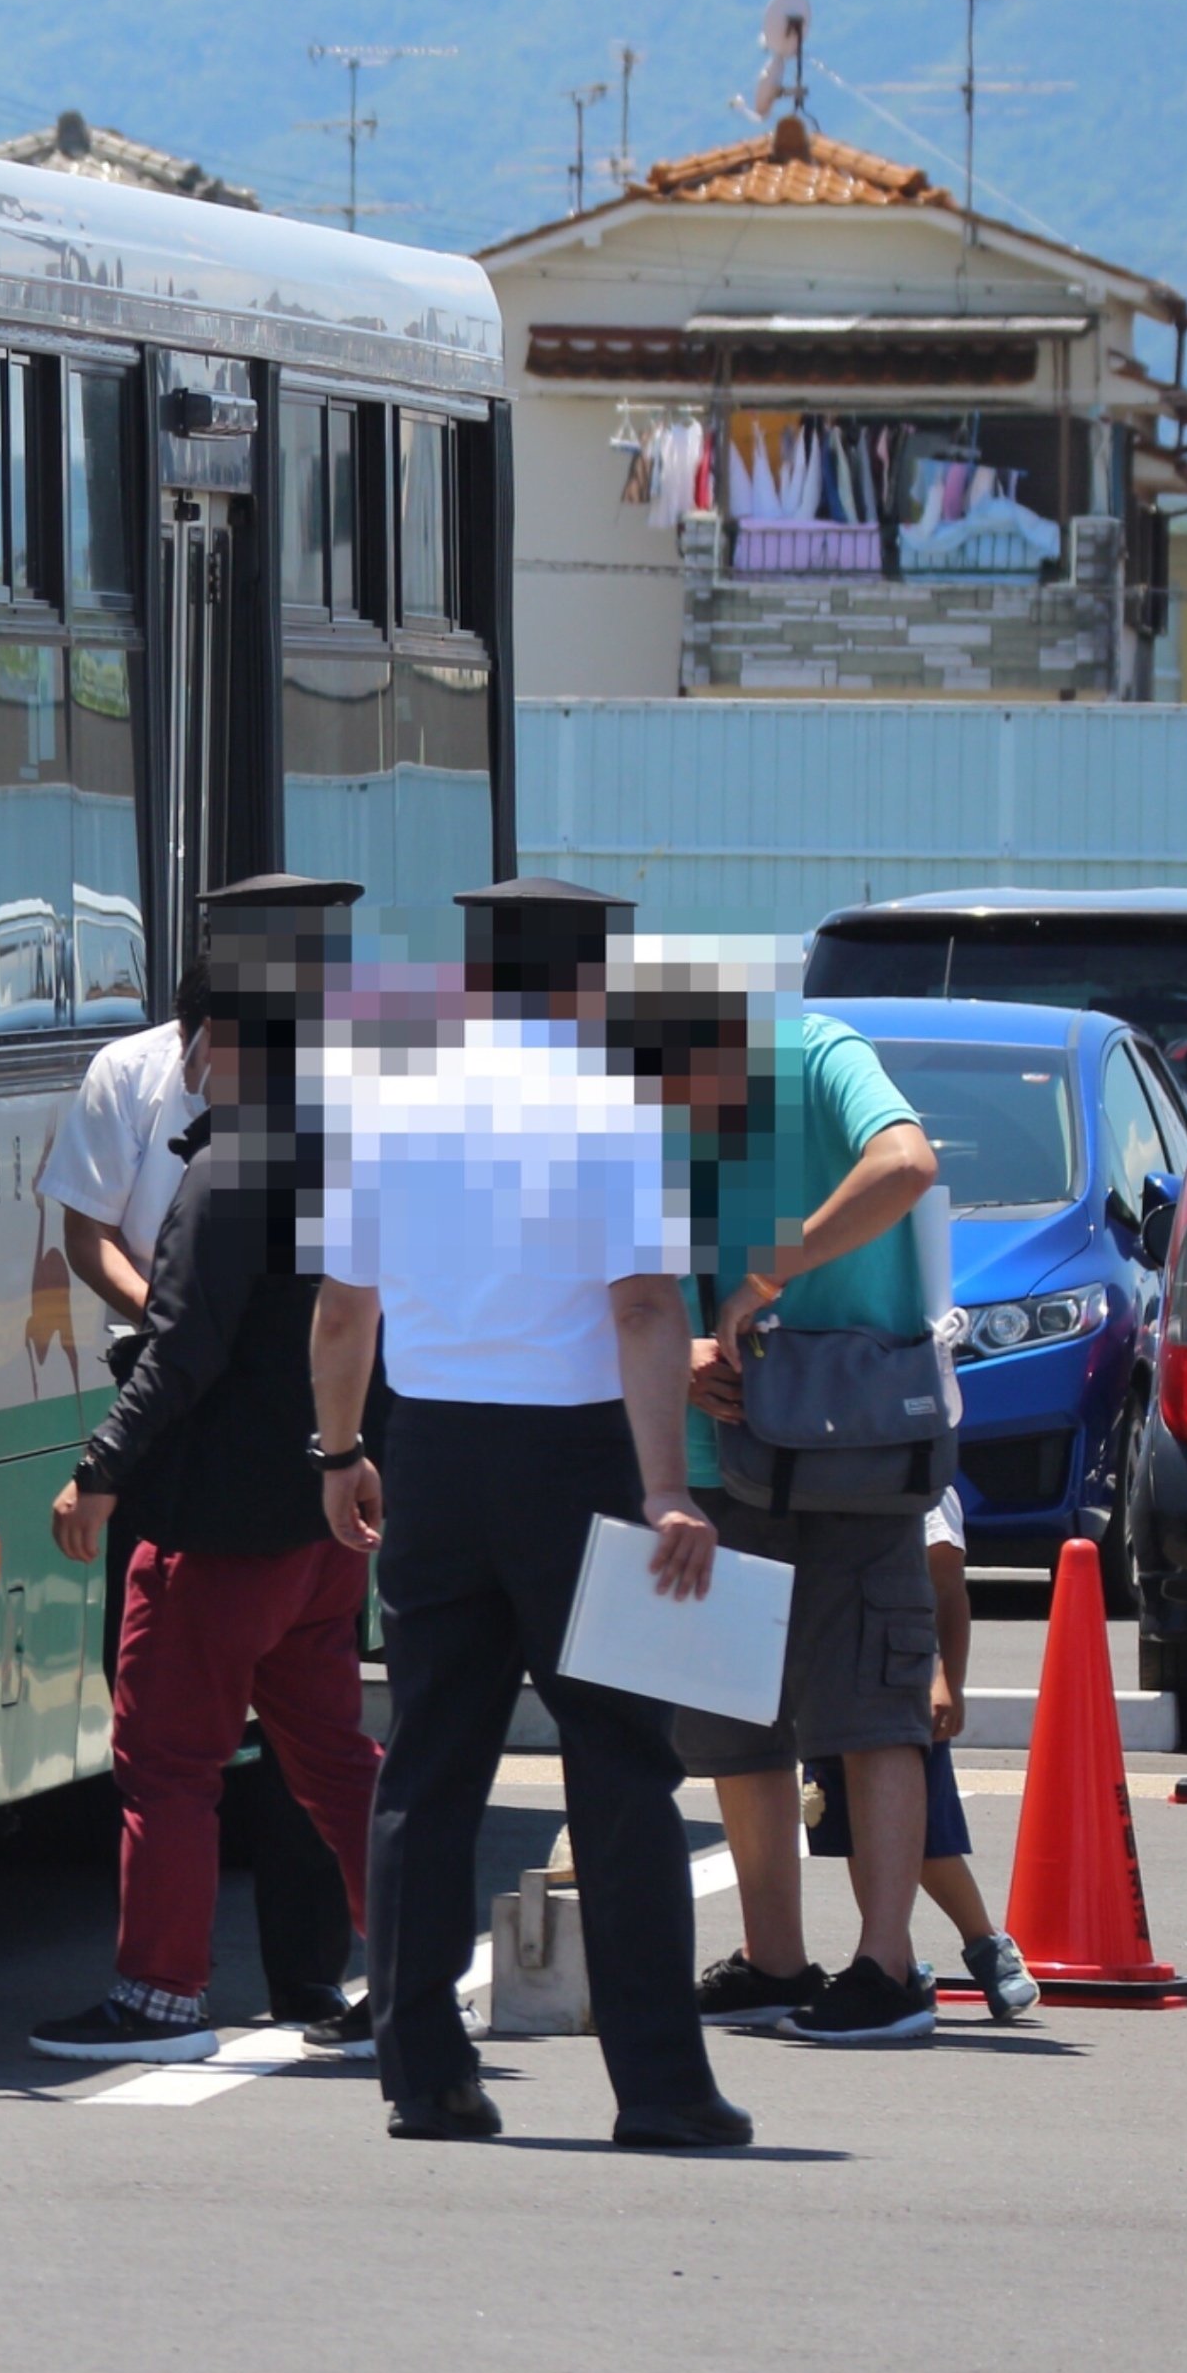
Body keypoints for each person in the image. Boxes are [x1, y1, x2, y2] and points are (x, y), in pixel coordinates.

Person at [312, 876, 745, 2148]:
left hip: (432, 1445)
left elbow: (344, 1308)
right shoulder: (611, 1107)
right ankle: (660, 2085)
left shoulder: (388, 1098)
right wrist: (667, 1485)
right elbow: (644, 1309)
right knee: (618, 1762)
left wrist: (338, 1450)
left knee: (431, 1759)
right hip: (574, 1459)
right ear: (585, 978)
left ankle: (425, 2072)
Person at [33, 876, 383, 2066]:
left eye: (197, 1041)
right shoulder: (351, 1152)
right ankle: (415, 1961)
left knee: (166, 1763)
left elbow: (178, 1351)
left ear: (229, 1035)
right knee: (333, 1759)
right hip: (322, 1519)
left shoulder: (231, 1173)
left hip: (216, 1523)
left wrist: (97, 1471)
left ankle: (160, 1996)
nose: (189, 1063)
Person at [630, 975, 950, 2049]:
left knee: (869, 1700)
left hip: (851, 1427)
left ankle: (889, 1965)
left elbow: (905, 1162)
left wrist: (766, 1269)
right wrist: (676, 1351)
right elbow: (635, 1261)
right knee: (728, 1712)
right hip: (723, 1442)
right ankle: (774, 1957)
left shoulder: (822, 1054)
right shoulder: (652, 1097)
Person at [804, 1487, 1038, 2020]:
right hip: (830, 1671)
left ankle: (987, 1946)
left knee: (922, 1837)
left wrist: (947, 1681)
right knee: (847, 1830)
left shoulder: (920, 1485)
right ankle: (894, 1962)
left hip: (902, 1681)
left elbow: (948, 1591)